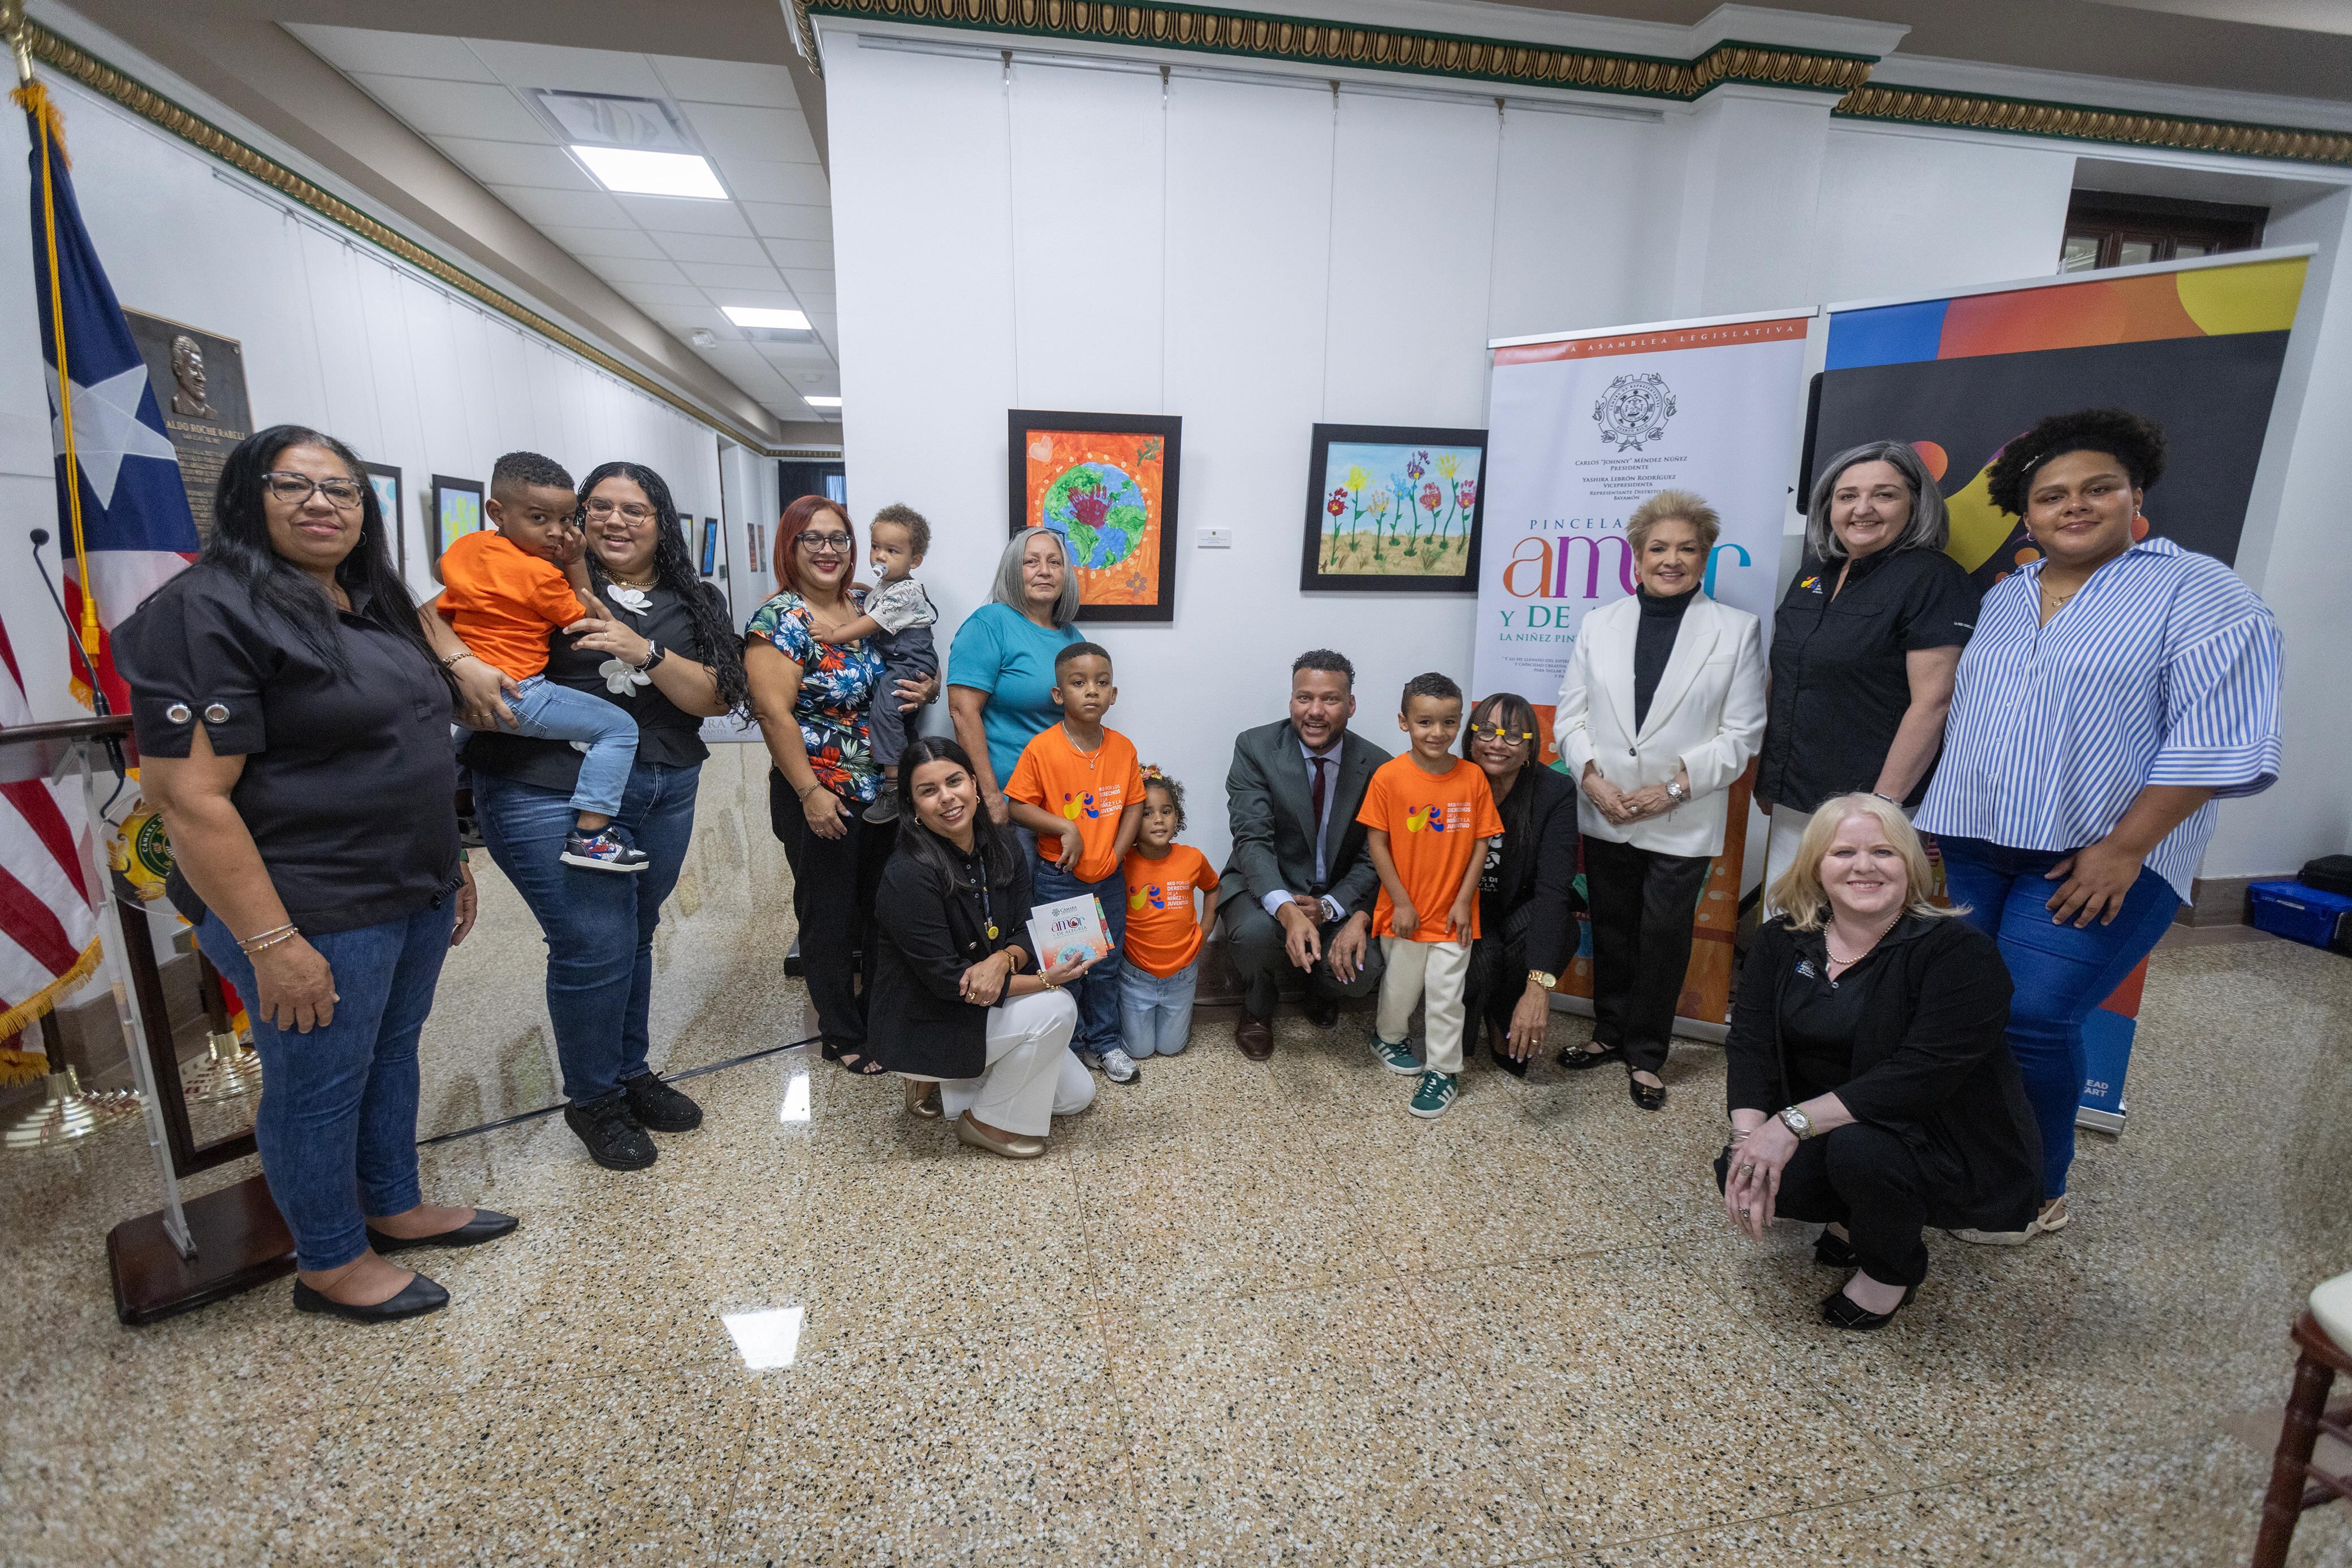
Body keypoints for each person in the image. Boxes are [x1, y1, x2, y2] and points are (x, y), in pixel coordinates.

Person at [118, 425, 511, 1324]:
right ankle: (329, 1259)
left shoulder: (362, 597)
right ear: (246, 499)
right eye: (294, 486)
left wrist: (447, 861)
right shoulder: (207, 610)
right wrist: (273, 942)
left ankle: (392, 1203)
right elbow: (189, 800)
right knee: (319, 1080)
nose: (322, 504)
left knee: (388, 1056)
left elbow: (405, 737)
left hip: (404, 882)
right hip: (306, 901)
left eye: (341, 488)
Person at [1917, 408, 2281, 1240]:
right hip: (1976, 845)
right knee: (1968, 1014)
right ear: (2027, 511)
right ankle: (1969, 1155)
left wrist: (2122, 848)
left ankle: (2034, 1189)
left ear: (2135, 494)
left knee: (2034, 1017)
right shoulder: (2009, 596)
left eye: (2096, 488)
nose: (2073, 507)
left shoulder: (2200, 590)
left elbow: (2219, 738)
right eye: (2051, 496)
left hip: (2101, 855)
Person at [447, 461, 746, 1172]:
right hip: (546, 788)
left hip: (663, 786)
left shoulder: (691, 598)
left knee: (635, 934)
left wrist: (641, 648)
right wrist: (461, 661)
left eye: (635, 509)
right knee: (593, 942)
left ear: (661, 521)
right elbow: (438, 625)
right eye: (599, 507)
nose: (615, 520)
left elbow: (714, 696)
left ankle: (628, 1072)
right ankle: (593, 1098)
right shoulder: (528, 574)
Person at [1719, 795, 2041, 1330]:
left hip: (1938, 1130)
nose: (1864, 866)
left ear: (1911, 867)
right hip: (1832, 1119)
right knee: (1757, 1168)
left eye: (1884, 852)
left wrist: (1791, 1123)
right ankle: (1851, 1215)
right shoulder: (1782, 940)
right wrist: (1747, 1139)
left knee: (1861, 1152)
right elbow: (1750, 1042)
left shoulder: (1959, 954)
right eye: (1843, 851)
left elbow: (1921, 1077)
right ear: (1817, 868)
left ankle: (1893, 1270)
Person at [1554, 489, 1766, 1111]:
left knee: (1664, 934)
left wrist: (1670, 789)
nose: (1670, 559)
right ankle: (1608, 1033)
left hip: (1680, 813)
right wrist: (1591, 780)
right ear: (1636, 556)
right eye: (1658, 547)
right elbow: (1571, 715)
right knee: (1613, 928)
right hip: (1606, 805)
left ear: (1704, 558)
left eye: (1685, 548)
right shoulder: (1600, 622)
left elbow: (1742, 734)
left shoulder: (1736, 630)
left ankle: (1646, 1053)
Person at [1756, 440, 1978, 894]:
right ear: (1828, 506)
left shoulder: (1932, 578)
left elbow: (1934, 702)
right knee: (1788, 925)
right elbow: (1783, 676)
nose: (1863, 509)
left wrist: (1882, 807)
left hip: (1874, 808)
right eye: (1847, 496)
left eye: (1884, 494)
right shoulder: (1812, 574)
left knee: (1857, 939)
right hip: (1796, 796)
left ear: (1915, 504)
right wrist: (1768, 774)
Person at [869, 737, 1099, 1159]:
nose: (947, 798)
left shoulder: (1005, 844)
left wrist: (1002, 959)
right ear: (913, 807)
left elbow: (1028, 928)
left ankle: (949, 1091)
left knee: (1076, 1097)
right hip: (927, 1018)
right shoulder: (907, 874)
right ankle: (985, 1123)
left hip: (984, 1003)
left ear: (975, 784)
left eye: (954, 781)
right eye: (928, 790)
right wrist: (1045, 980)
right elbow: (947, 983)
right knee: (1059, 1006)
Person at [436, 451, 646, 872]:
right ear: (498, 511)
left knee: (466, 738)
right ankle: (592, 835)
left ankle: (460, 806)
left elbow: (443, 574)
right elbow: (587, 619)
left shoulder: (466, 546)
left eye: (567, 521)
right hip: (518, 691)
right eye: (539, 519)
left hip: (455, 688)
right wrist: (572, 561)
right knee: (619, 729)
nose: (556, 532)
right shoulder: (541, 575)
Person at [748, 496, 893, 1075]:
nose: (829, 550)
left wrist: (921, 687)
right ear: (791, 545)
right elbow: (773, 713)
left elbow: (894, 670)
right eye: (814, 538)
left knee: (882, 909)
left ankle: (879, 1016)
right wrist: (810, 792)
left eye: (839, 538)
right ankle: (840, 1030)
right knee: (827, 914)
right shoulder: (779, 619)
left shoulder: (864, 605)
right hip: (817, 790)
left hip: (878, 791)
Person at [1220, 649, 1391, 1059]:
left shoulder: (1378, 765)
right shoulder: (1255, 747)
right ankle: (1259, 1005)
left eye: (1330, 699)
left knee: (1364, 970)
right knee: (1254, 935)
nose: (1315, 711)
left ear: (1351, 705)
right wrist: (1287, 910)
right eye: (1304, 698)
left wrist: (1331, 908)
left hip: (1336, 893)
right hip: (1264, 885)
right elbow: (1252, 840)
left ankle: (1319, 986)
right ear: (1291, 700)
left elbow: (1373, 857)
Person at [1358, 672, 1504, 1119]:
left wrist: (1464, 901)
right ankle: (1388, 1036)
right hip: (1404, 912)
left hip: (1454, 914)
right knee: (1400, 987)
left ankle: (1444, 1069)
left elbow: (1482, 842)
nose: (1437, 733)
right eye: (1425, 722)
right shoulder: (1388, 777)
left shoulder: (1474, 778)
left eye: (1449, 723)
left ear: (1461, 724)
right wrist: (1401, 902)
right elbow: (1377, 843)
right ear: (1404, 722)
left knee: (1445, 993)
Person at [1005, 642, 1146, 1083]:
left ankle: (1106, 1043)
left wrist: (1116, 855)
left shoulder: (1123, 749)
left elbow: (1134, 806)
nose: (1092, 692)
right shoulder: (1042, 749)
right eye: (1079, 683)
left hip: (1110, 879)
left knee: (1105, 965)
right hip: (1061, 880)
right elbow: (1016, 807)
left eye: (1102, 683)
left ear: (1114, 694)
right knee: (1069, 967)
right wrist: (1065, 828)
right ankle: (1070, 1044)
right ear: (1058, 694)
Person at [1459, 692, 1580, 1079]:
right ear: (1471, 738)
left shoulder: (1554, 792)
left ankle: (1504, 1010)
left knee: (1562, 930)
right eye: (1487, 731)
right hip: (1463, 911)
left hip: (1517, 911)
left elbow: (1552, 891)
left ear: (1530, 748)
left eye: (1513, 736)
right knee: (1479, 967)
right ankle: (1473, 1014)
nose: (1497, 743)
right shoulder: (1448, 781)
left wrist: (1538, 988)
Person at [946, 527, 1083, 827]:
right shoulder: (990, 623)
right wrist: (991, 795)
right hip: (1010, 801)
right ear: (1012, 571)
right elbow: (962, 711)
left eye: (1054, 562)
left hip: (1063, 799)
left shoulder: (1072, 637)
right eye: (1031, 562)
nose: (1044, 571)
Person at [813, 503, 938, 824]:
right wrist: (866, 590)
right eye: (876, 547)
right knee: (899, 718)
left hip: (910, 657)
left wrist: (834, 634)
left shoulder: (906, 590)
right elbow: (881, 602)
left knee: (885, 709)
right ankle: (909, 774)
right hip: (901, 656)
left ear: (914, 561)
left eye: (892, 551)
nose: (880, 556)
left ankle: (895, 787)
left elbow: (872, 624)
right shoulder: (888, 588)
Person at [1119, 767, 1218, 1060]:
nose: (1159, 820)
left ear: (1178, 816)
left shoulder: (1193, 858)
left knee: (1171, 1048)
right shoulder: (1122, 862)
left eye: (1167, 811)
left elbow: (1213, 888)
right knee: (1138, 1050)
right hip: (1136, 977)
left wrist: (1205, 929)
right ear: (1132, 821)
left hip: (1182, 976)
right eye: (1147, 814)